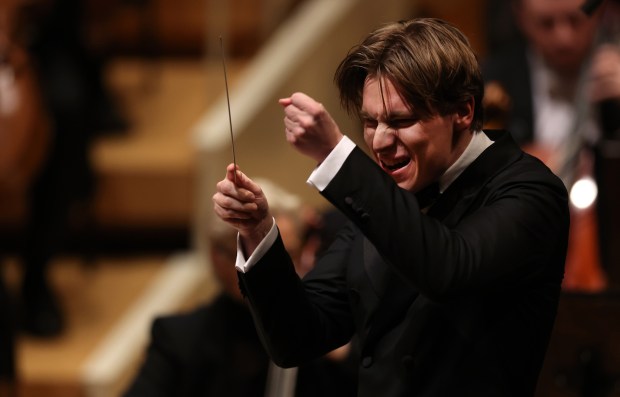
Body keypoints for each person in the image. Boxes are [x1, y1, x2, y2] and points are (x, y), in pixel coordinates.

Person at [213, 18, 570, 396]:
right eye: (369, 122)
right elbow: (297, 338)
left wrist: (337, 156)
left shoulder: (529, 190)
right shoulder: (382, 202)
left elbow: (447, 270)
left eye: (401, 120)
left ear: (463, 111)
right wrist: (257, 230)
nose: (379, 141)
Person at [124, 179, 357, 397]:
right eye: (249, 255)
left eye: (286, 256)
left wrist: (338, 351)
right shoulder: (181, 338)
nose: (269, 271)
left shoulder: (333, 326)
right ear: (216, 257)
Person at [482, 0, 620, 291]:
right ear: (520, 17)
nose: (564, 38)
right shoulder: (488, 81)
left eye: (576, 20)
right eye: (546, 23)